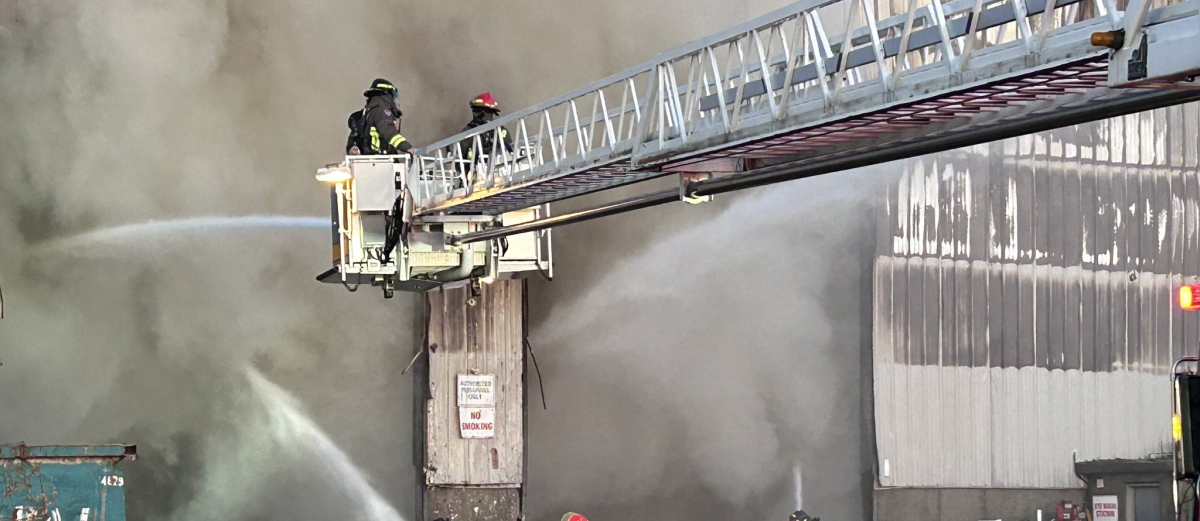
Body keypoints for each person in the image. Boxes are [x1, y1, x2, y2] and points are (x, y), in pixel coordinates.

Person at [358, 78, 413, 155]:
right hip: (380, 159)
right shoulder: (381, 111)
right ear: (387, 95)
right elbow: (387, 130)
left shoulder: (372, 110)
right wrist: (407, 147)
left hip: (375, 158)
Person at [456, 92, 512, 162]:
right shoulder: (502, 130)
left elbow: (458, 161)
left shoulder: (469, 132)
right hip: (501, 170)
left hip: (480, 170)